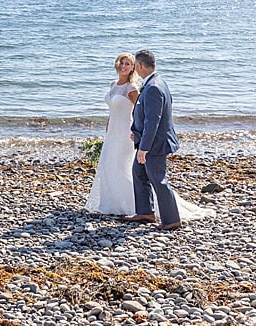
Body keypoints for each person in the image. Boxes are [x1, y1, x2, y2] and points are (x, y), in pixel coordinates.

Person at [124, 49, 214, 230]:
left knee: (158, 179)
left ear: (140, 66)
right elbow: (146, 117)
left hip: (155, 144)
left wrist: (144, 148)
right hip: (148, 140)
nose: (135, 70)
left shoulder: (154, 87)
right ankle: (146, 212)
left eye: (135, 66)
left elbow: (153, 121)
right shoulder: (154, 83)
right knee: (138, 173)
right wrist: (137, 132)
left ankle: (171, 220)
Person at [85, 53, 141, 215]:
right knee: (108, 164)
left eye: (128, 64)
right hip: (112, 132)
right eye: (121, 63)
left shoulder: (132, 88)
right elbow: (113, 108)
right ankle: (111, 203)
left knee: (122, 166)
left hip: (126, 132)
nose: (123, 66)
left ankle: (133, 205)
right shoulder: (113, 84)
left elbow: (139, 111)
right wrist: (108, 124)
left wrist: (136, 131)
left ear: (132, 68)